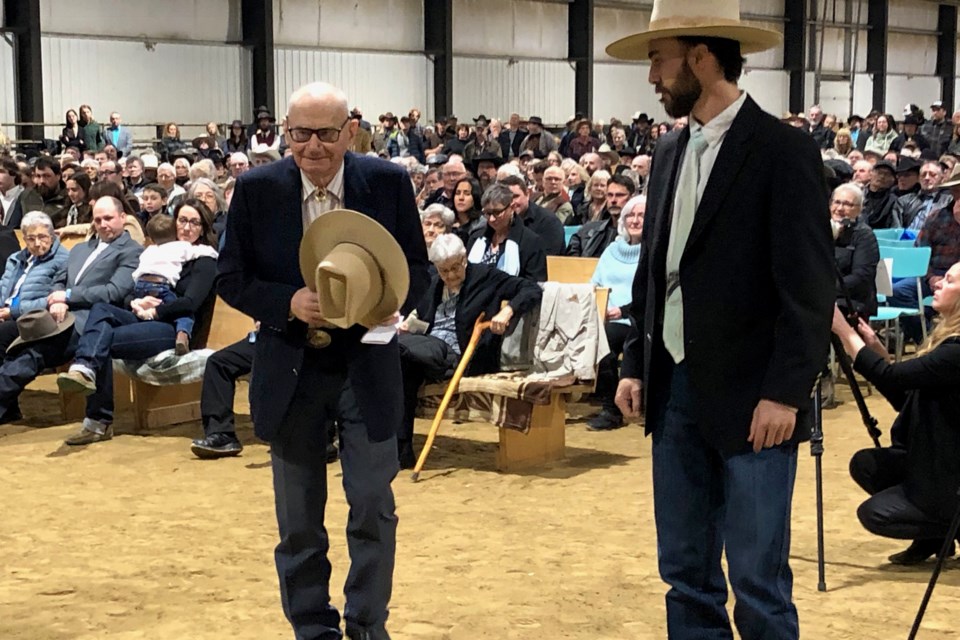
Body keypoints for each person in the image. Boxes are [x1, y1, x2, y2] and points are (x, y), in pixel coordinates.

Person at [607, 3, 835, 637]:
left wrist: (786, 393)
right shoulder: (671, 149)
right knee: (685, 574)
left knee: (759, 583)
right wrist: (634, 362)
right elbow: (653, 269)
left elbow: (810, 288)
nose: (653, 75)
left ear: (701, 58)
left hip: (756, 399)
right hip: (673, 389)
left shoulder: (782, 149)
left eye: (660, 58)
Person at [217, 82, 429, 640]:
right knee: (298, 522)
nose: (313, 146)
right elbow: (231, 278)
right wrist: (287, 303)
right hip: (290, 371)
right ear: (285, 132)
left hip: (369, 370)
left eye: (326, 134)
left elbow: (418, 271)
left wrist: (390, 305)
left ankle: (367, 625)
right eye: (300, 133)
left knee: (372, 508)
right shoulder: (257, 188)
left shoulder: (386, 182)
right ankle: (312, 628)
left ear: (350, 132)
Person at [57, 199, 219, 442]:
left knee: (103, 340)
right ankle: (84, 370)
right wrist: (135, 302)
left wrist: (156, 310)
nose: (186, 227)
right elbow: (134, 288)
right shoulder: (162, 252)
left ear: (204, 228)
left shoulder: (205, 260)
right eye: (182, 220)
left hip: (174, 329)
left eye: (194, 222)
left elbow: (190, 303)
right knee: (101, 310)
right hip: (143, 317)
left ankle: (97, 421)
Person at [832, 262, 960, 564]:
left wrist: (842, 331)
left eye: (950, 281)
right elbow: (908, 399)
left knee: (874, 513)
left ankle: (949, 525)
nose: (937, 283)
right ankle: (934, 537)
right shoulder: (945, 340)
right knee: (867, 464)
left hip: (948, 469)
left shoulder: (956, 351)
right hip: (934, 457)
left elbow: (891, 379)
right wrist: (875, 349)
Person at [397, 233, 542, 467]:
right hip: (426, 352)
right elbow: (424, 317)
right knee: (401, 367)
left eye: (455, 267)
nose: (450, 275)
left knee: (400, 353)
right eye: (444, 270)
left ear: (464, 258)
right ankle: (400, 451)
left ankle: (398, 449)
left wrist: (508, 311)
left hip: (462, 355)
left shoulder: (486, 277)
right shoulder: (435, 283)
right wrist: (408, 325)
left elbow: (531, 289)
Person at [0, 196, 142, 424]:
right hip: (58, 315)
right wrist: (58, 299)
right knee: (17, 348)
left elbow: (113, 291)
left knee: (34, 354)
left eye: (109, 218)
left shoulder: (131, 251)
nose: (103, 224)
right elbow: (59, 279)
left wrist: (67, 296)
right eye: (98, 219)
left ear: (123, 218)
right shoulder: (80, 249)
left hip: (94, 319)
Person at [588, 194, 644, 431]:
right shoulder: (611, 250)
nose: (635, 220)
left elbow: (648, 293)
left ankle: (612, 409)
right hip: (606, 316)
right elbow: (595, 283)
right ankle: (610, 405)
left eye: (641, 215)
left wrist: (621, 310)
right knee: (595, 335)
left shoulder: (654, 251)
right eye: (630, 215)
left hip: (637, 318)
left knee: (606, 337)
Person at [0, 212, 70, 353]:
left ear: (52, 236)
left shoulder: (63, 260)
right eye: (31, 239)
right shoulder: (15, 259)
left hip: (30, 319)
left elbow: (51, 299)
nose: (37, 244)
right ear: (24, 239)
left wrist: (12, 312)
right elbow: (2, 287)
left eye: (42, 237)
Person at [466, 182, 546, 281]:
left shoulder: (531, 242)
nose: (491, 219)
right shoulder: (476, 237)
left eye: (497, 212)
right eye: (487, 213)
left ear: (512, 207)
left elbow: (534, 286)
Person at [831, 184, 879, 317]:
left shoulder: (864, 235)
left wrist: (824, 290)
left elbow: (861, 277)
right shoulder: (822, 230)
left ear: (859, 209)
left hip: (851, 302)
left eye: (847, 204)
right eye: (837, 202)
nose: (840, 208)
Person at [566, 174, 635, 258]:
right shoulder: (587, 231)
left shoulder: (638, 234)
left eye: (619, 195)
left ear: (631, 198)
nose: (613, 200)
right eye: (609, 195)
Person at [498, 175, 565, 256]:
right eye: (506, 198)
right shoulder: (496, 220)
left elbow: (546, 259)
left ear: (527, 194)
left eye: (516, 196)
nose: (512, 202)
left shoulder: (549, 222)